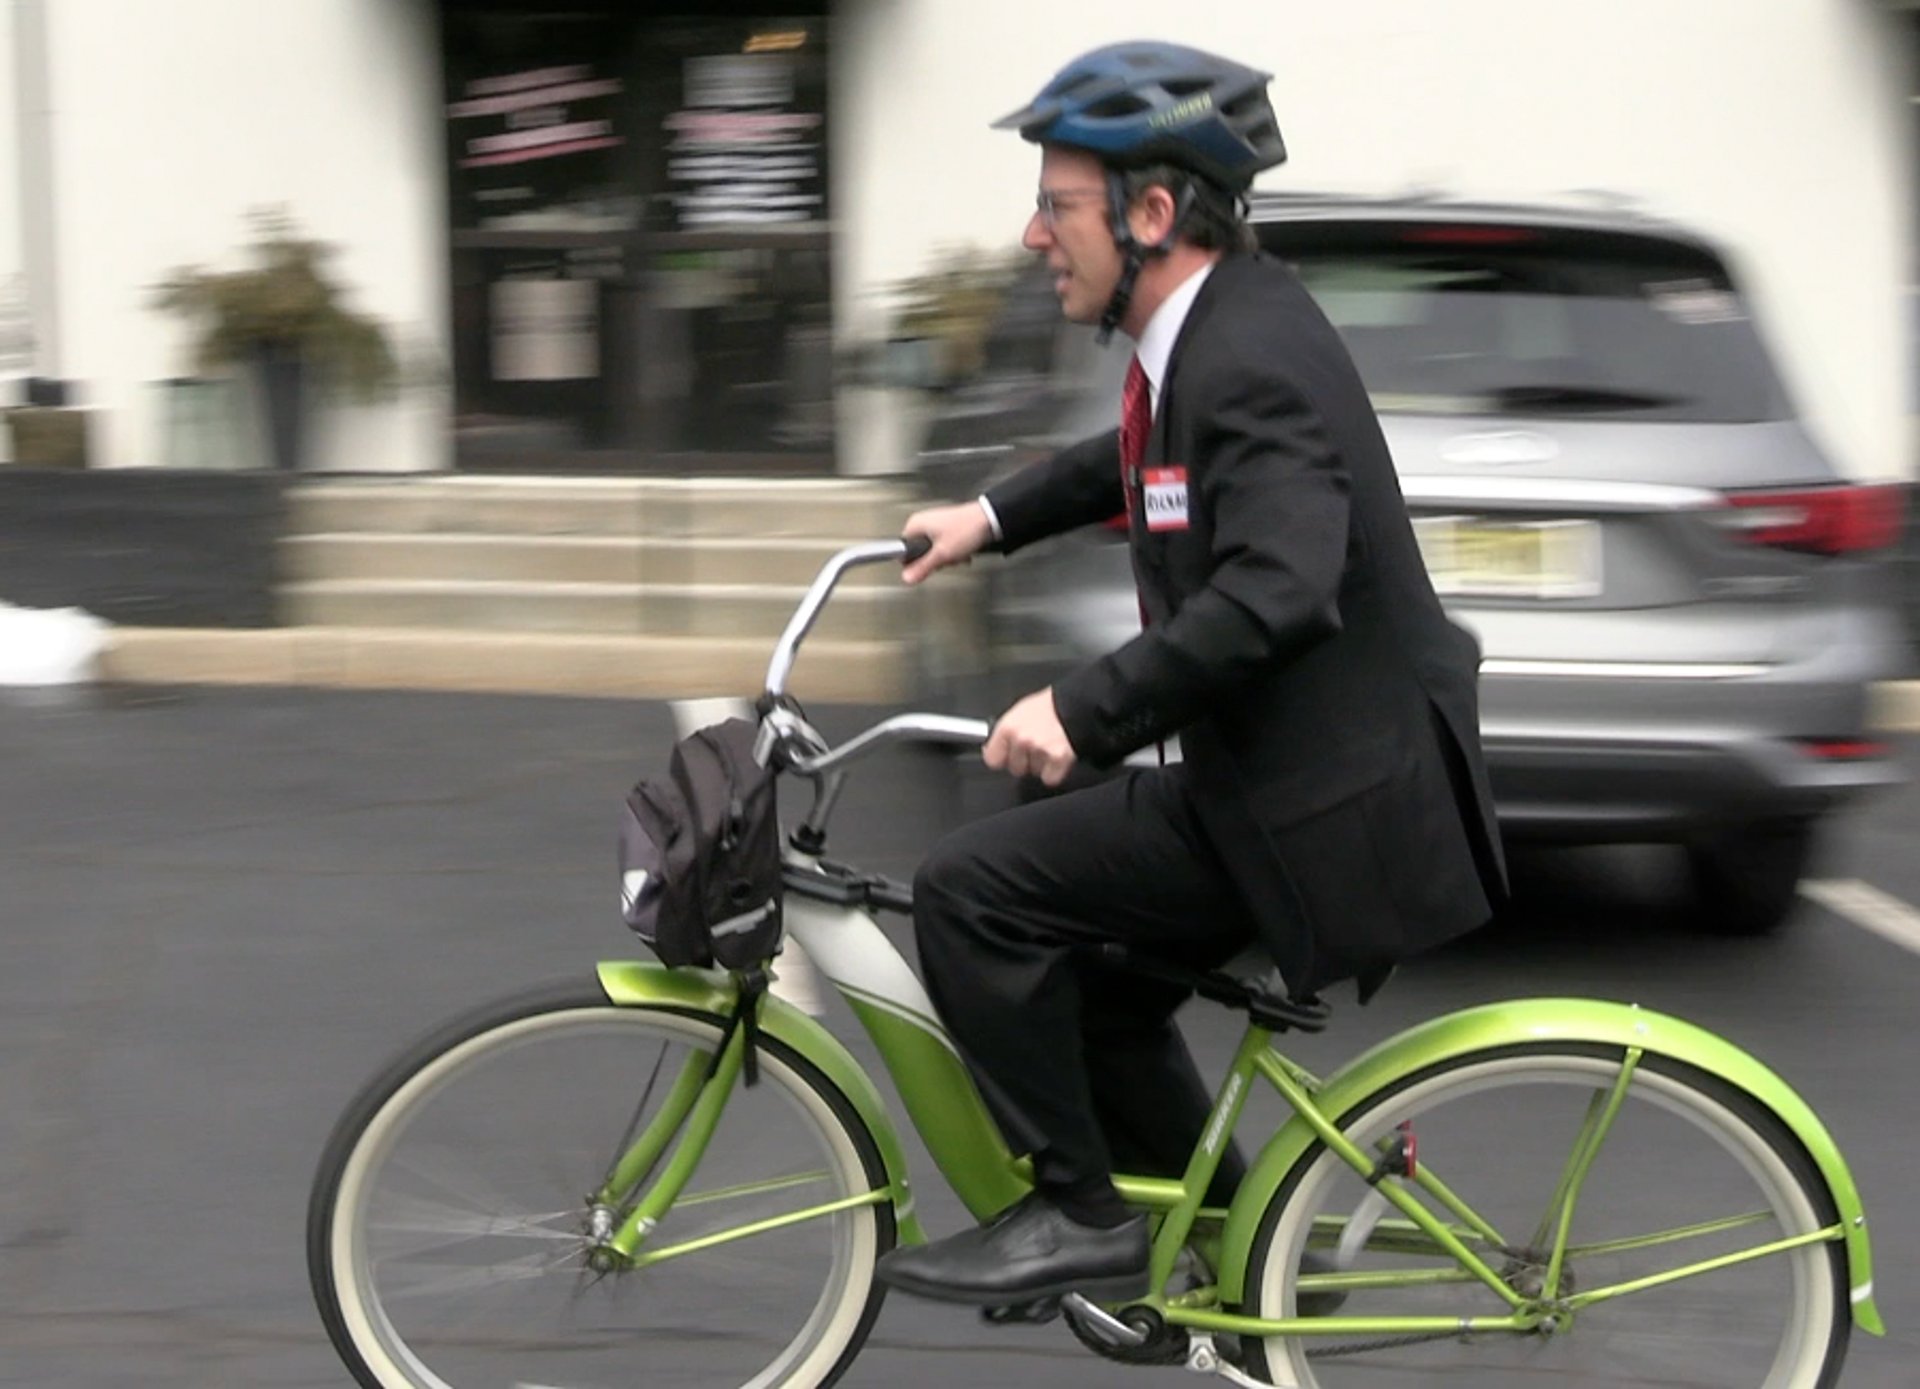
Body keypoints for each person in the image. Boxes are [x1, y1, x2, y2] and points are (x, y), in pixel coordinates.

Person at [875, 41, 1508, 1308]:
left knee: (970, 892)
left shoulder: (1244, 358)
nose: (1033, 236)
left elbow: (1281, 588)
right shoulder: (1217, 330)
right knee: (1098, 985)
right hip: (1291, 776)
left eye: (1057, 207)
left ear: (1153, 213)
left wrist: (1083, 708)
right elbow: (1143, 463)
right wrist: (988, 519)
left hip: (1316, 807)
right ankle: (1245, 1254)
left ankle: (1077, 1213)